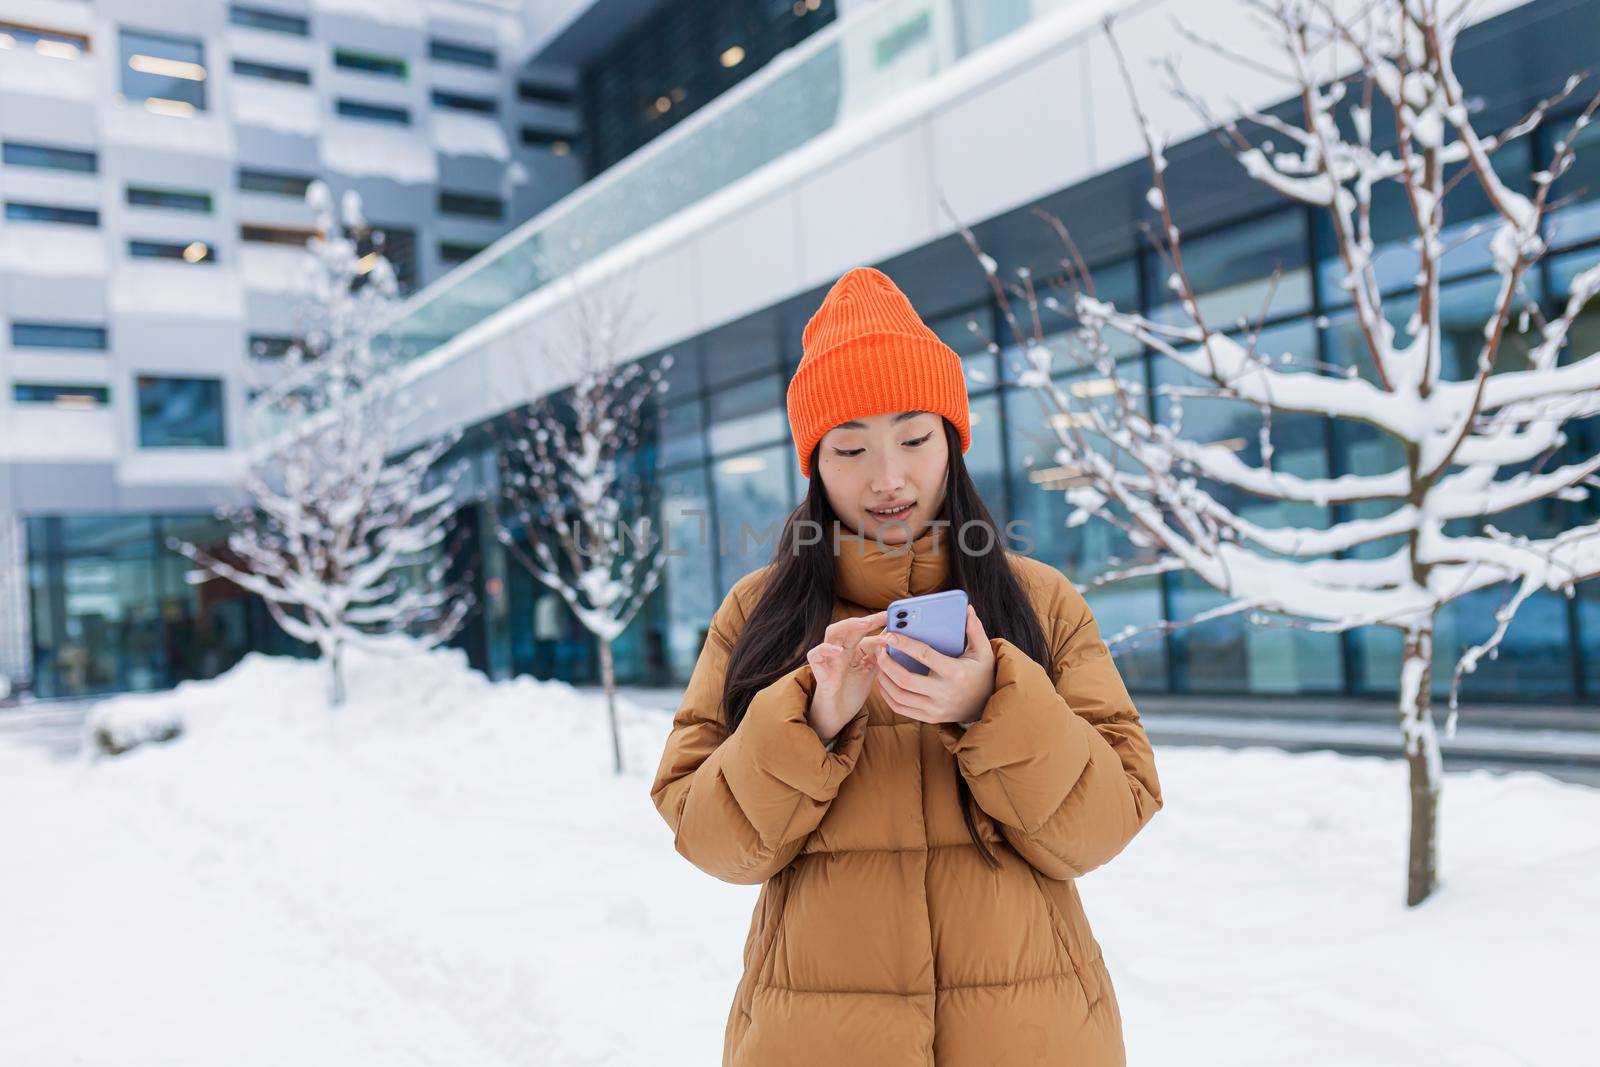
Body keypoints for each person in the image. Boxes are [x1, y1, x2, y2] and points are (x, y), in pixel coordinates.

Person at [649, 266, 1164, 1066]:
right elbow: (715, 843)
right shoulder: (761, 613)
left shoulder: (1040, 601)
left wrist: (993, 700)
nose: (887, 478)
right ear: (814, 464)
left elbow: (1102, 826)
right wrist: (809, 721)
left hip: (1035, 1037)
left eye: (915, 439)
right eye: (850, 447)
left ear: (953, 443)